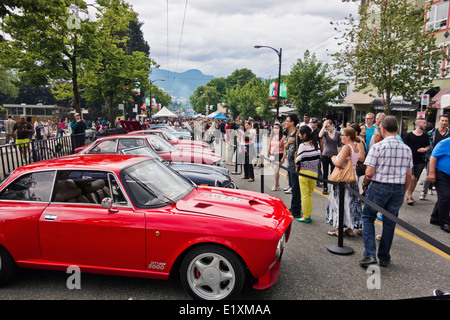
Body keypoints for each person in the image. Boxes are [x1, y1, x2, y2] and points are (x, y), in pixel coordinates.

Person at [360, 116, 413, 268]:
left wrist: (365, 184)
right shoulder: (406, 149)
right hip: (397, 188)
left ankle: (370, 255)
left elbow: (369, 173)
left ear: (382, 129)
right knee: (390, 222)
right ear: (396, 129)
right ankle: (384, 257)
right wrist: (403, 193)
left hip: (379, 186)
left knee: (368, 217)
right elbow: (409, 176)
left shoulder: (378, 147)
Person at [325, 127, 363, 236]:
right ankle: (349, 228)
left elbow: (339, 163)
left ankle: (339, 228)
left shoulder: (347, 147)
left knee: (339, 203)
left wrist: (333, 158)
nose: (340, 137)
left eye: (342, 135)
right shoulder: (356, 147)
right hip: (353, 178)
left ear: (348, 137)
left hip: (343, 179)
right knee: (351, 203)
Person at [420, 114, 450, 200]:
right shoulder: (432, 133)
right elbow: (427, 144)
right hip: (433, 157)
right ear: (439, 122)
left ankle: (434, 190)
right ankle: (424, 191)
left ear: (448, 122)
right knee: (429, 175)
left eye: (446, 121)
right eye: (442, 120)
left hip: (444, 159)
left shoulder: (449, 133)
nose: (444, 123)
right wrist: (425, 149)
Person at [295, 125, 321, 223]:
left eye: (300, 134)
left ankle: (305, 216)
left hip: (304, 172)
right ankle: (308, 214)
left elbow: (298, 160)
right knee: (309, 194)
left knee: (304, 195)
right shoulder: (316, 143)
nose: (299, 136)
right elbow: (319, 156)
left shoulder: (303, 146)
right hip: (314, 172)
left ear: (304, 134)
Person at [404, 118, 431, 205]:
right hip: (410, 160)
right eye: (424, 123)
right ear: (418, 124)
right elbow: (404, 147)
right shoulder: (409, 135)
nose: (425, 125)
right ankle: (409, 196)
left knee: (415, 179)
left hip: (421, 160)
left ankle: (410, 194)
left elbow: (429, 146)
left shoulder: (425, 136)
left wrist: (425, 149)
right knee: (412, 178)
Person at [427, 136, 450, 233]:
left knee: (444, 197)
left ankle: (434, 217)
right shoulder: (445, 143)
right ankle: (444, 221)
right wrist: (431, 173)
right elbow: (433, 157)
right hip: (441, 174)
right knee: (445, 196)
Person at [284, 114, 302, 218]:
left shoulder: (297, 134)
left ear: (292, 123)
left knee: (295, 188)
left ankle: (296, 210)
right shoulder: (289, 134)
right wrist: (288, 143)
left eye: (287, 121)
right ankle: (294, 207)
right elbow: (286, 146)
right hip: (290, 163)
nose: (284, 123)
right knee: (292, 185)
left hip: (296, 164)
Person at [318, 119, 342, 195]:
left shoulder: (338, 133)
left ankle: (333, 187)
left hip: (334, 155)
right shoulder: (325, 132)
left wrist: (340, 155)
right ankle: (325, 187)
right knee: (325, 172)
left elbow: (340, 145)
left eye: (329, 126)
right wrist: (323, 126)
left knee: (333, 172)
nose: (328, 128)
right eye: (327, 127)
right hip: (325, 155)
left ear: (333, 125)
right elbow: (319, 135)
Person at [268, 122, 286, 191]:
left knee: (276, 170)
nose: (275, 129)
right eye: (274, 128)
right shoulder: (272, 136)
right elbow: (270, 145)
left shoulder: (283, 137)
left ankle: (275, 186)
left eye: (277, 128)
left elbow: (285, 148)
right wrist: (268, 152)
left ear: (280, 129)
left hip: (279, 154)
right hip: (272, 154)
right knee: (274, 170)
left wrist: (283, 158)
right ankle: (277, 183)